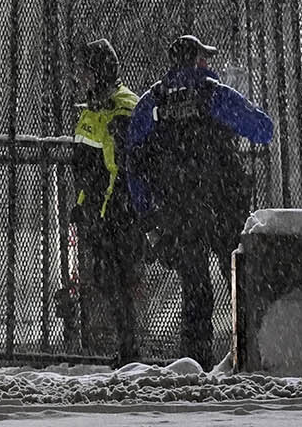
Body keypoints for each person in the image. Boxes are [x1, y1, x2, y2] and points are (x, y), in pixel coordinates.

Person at [128, 34, 274, 368]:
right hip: (220, 204)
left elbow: (133, 161)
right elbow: (263, 130)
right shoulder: (214, 94)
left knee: (195, 289)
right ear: (196, 61)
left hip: (177, 212)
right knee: (238, 281)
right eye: (204, 58)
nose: (208, 63)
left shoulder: (154, 101)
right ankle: (250, 356)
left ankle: (194, 363)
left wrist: (147, 213)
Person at [66, 38, 147, 364]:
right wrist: (84, 204)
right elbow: (90, 165)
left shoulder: (122, 107)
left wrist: (111, 208)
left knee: (119, 278)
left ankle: (129, 352)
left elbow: (121, 166)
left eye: (85, 71)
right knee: (105, 277)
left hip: (118, 211)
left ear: (98, 72)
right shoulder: (93, 109)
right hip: (100, 211)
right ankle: (126, 349)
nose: (81, 78)